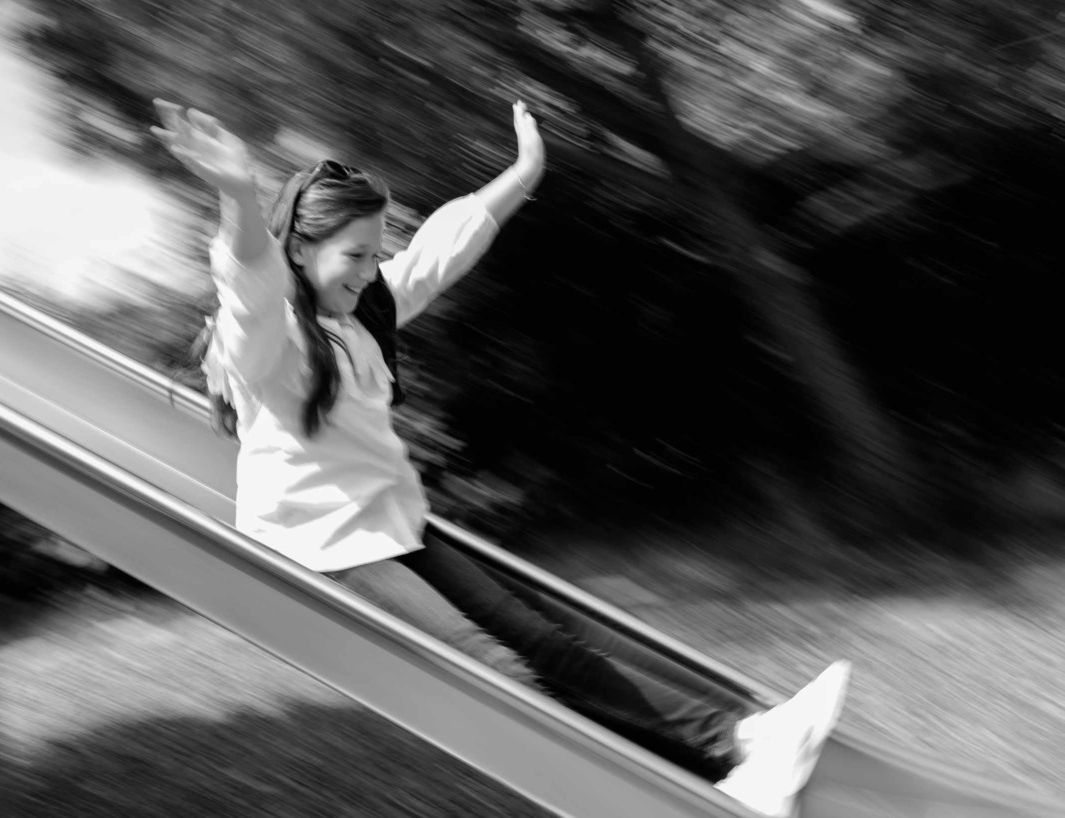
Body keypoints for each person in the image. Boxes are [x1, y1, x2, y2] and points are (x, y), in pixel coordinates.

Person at [151, 97, 850, 818]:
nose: (370, 267)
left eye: (375, 249)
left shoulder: (363, 311)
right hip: (324, 550)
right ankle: (679, 795)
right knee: (505, 674)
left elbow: (439, 249)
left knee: (550, 643)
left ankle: (743, 748)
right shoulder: (269, 345)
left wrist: (522, 172)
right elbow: (248, 288)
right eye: (354, 255)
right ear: (299, 249)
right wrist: (237, 192)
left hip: (393, 523)